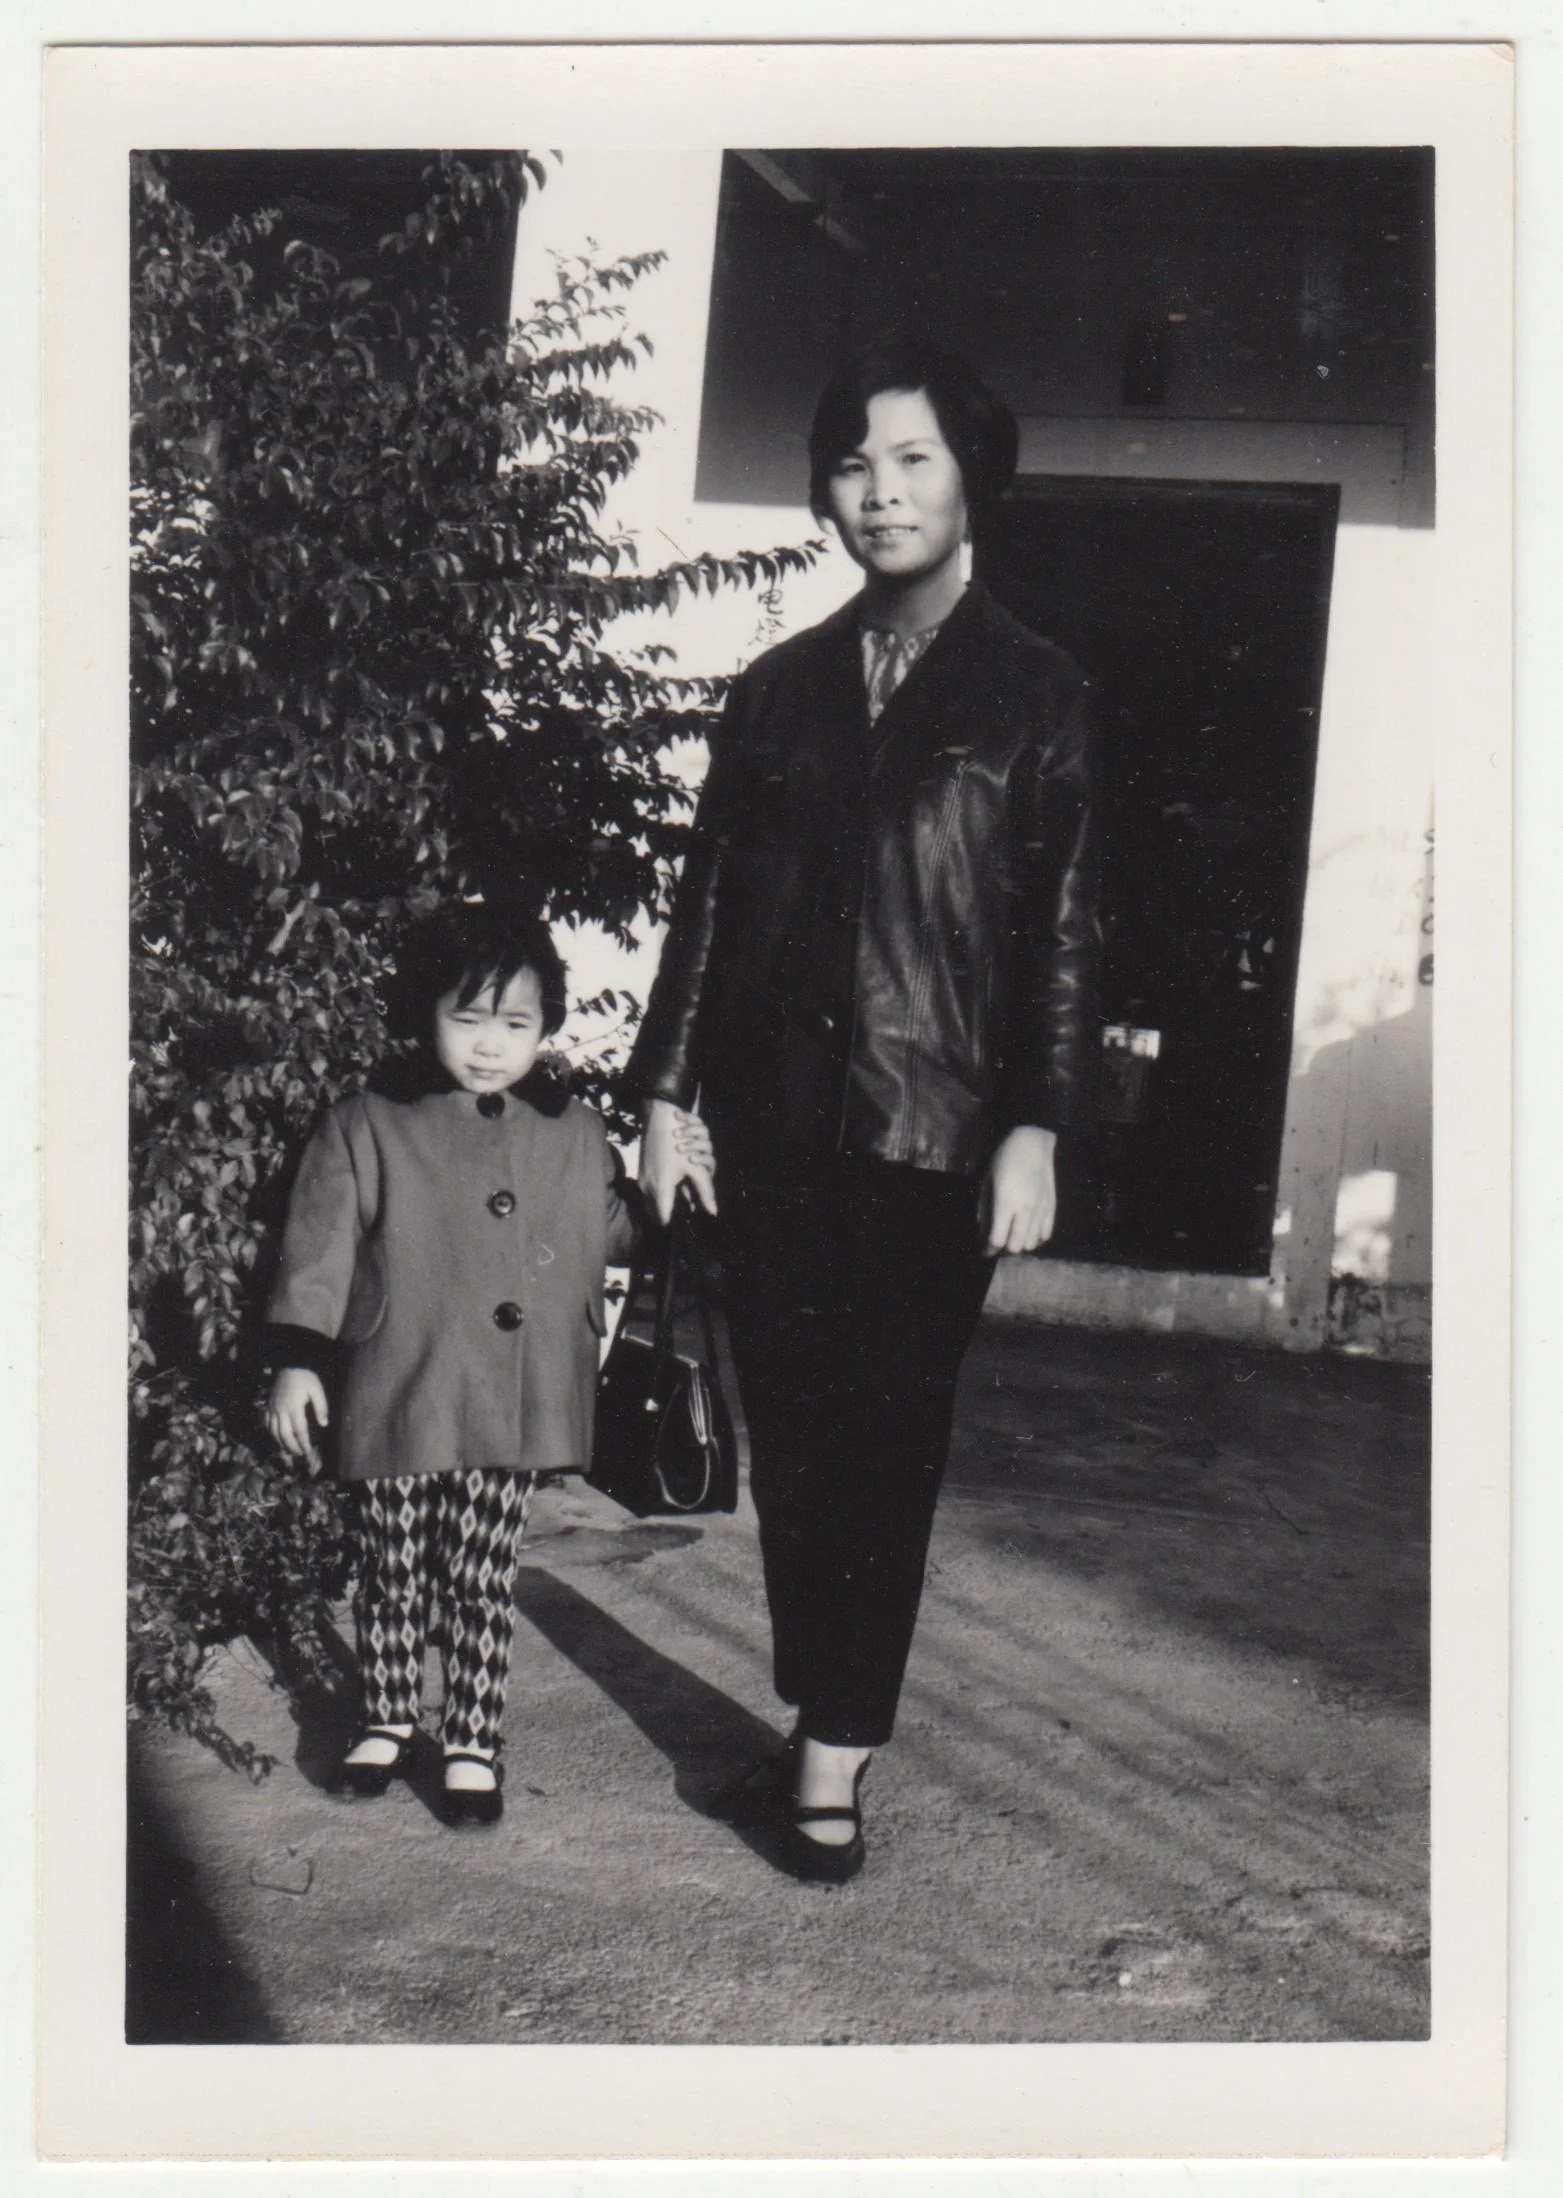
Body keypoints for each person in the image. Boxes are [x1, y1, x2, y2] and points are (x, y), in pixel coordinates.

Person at [628, 338, 1099, 1882]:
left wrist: (1034, 1118)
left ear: (969, 477)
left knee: (885, 1441)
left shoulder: (1037, 693)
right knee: (796, 1438)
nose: (877, 491)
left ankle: (830, 1760)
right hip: (770, 1128)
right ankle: (820, 1710)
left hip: (932, 1136)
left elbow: (1060, 928)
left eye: (910, 460)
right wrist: (660, 1093)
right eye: (852, 462)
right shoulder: (774, 693)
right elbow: (704, 909)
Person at [264, 900, 709, 1826]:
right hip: (402, 1382)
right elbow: (320, 1247)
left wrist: (671, 1194)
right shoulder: (368, 1120)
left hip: (515, 1392)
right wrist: (298, 1360)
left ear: (546, 1026)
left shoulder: (573, 1131)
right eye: (466, 1019)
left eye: (516, 1023)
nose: (490, 1045)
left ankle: (471, 1736)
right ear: (425, 1016)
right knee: (391, 1562)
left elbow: (613, 1232)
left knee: (481, 1570)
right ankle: (386, 1717)